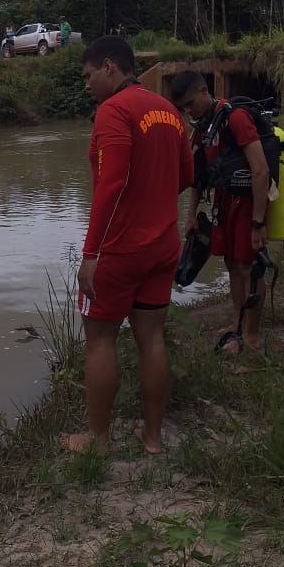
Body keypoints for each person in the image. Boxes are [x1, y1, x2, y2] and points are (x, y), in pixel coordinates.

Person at [63, 36, 195, 456]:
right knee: (151, 338)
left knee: (99, 340)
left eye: (87, 77)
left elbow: (112, 183)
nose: (87, 86)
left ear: (108, 67)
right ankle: (153, 438)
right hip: (163, 245)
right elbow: (186, 176)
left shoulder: (113, 111)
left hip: (119, 250)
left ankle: (98, 442)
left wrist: (90, 254)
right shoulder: (170, 111)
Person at [170, 72, 270, 353]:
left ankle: (251, 334)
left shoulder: (235, 118)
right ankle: (237, 322)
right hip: (223, 202)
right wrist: (190, 216)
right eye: (184, 108)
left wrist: (258, 222)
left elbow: (260, 170)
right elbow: (199, 175)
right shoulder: (204, 126)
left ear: (204, 90)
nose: (188, 111)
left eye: (191, 103)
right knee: (230, 263)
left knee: (248, 266)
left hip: (248, 202)